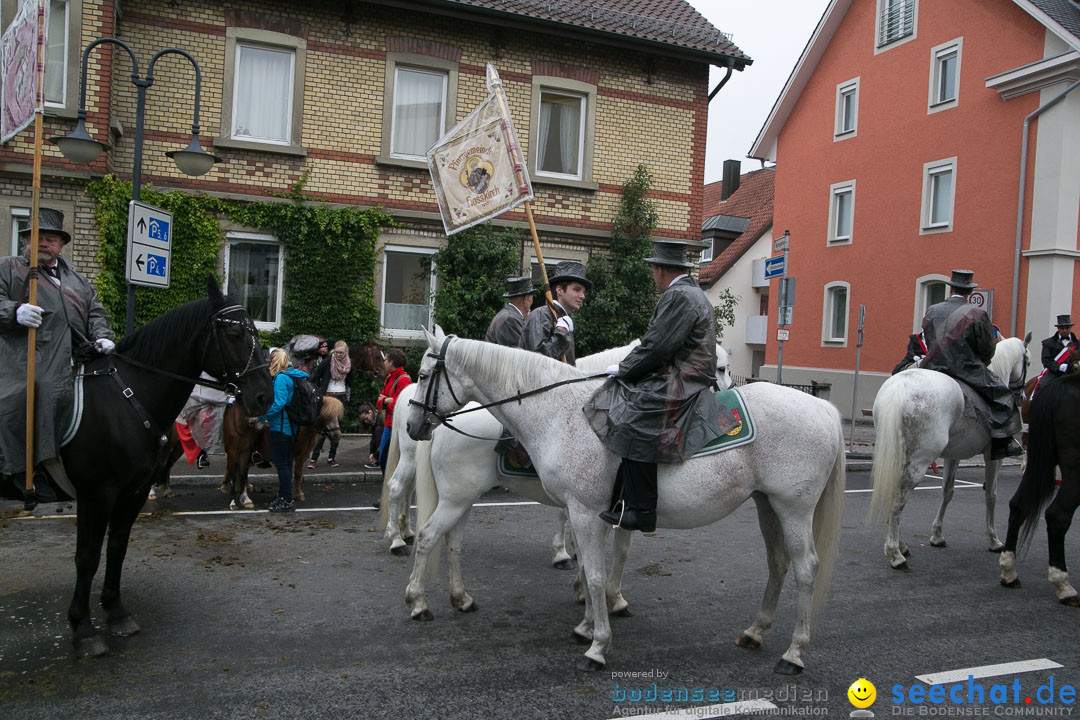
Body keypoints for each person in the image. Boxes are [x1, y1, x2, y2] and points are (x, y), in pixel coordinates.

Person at [584, 240, 737, 533]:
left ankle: (642, 510)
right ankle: (622, 496)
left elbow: (656, 346)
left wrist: (623, 369)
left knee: (632, 418)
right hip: (682, 372)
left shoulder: (679, 296)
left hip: (682, 379)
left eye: (653, 269)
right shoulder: (690, 293)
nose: (652, 275)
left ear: (660, 269)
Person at [0, 208, 115, 506]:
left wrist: (103, 335)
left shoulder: (76, 279)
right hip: (23, 357)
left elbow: (96, 312)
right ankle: (26, 469)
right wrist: (13, 311)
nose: (42, 245)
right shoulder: (8, 268)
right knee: (31, 395)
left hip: (73, 357)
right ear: (26, 241)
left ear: (61, 245)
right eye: (36, 239)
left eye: (49, 239)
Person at [920, 269, 1022, 460]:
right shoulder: (977, 313)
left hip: (931, 366)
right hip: (966, 369)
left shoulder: (932, 310)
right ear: (970, 292)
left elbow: (928, 337)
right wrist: (981, 361)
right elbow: (987, 348)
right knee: (1004, 397)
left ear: (951, 289)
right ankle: (1002, 445)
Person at [258, 348, 309, 512]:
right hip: (290, 427)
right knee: (286, 463)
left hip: (280, 427)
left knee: (282, 465)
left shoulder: (281, 378)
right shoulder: (292, 375)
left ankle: (286, 499)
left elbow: (279, 403)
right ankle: (283, 495)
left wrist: (262, 416)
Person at [518, 260, 589, 365]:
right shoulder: (541, 315)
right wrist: (561, 333)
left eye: (583, 292)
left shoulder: (563, 318)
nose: (582, 296)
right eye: (576, 289)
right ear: (559, 290)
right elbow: (538, 361)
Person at [308, 340, 353, 468]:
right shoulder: (327, 361)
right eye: (337, 352)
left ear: (346, 352)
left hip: (341, 396)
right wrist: (318, 392)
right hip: (327, 396)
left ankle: (331, 458)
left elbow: (350, 381)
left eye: (341, 353)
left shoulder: (349, 364)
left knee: (336, 429)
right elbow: (315, 377)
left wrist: (348, 396)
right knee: (323, 427)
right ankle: (314, 459)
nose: (338, 355)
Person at [375, 348, 411, 475]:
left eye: (385, 360)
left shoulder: (404, 379)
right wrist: (387, 401)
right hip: (388, 424)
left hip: (397, 426)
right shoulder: (389, 377)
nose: (383, 362)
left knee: (391, 460)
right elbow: (379, 401)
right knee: (383, 459)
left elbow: (401, 404)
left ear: (391, 362)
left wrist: (386, 401)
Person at [485, 276, 534, 347]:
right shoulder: (510, 319)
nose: (532, 302)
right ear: (525, 299)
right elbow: (519, 352)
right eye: (531, 298)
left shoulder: (508, 315)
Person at [1040, 313, 1077, 383]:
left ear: (1070, 328)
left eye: (1067, 328)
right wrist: (1060, 367)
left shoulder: (1078, 344)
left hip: (1073, 373)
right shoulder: (1048, 343)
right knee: (1042, 385)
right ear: (1058, 328)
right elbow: (1046, 360)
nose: (1065, 330)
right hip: (1053, 373)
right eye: (1062, 328)